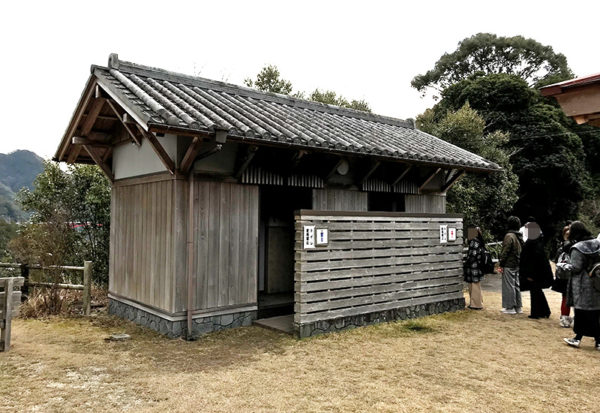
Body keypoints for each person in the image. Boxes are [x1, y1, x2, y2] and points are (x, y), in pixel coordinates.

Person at [556, 221, 600, 350]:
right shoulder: (597, 243)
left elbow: (576, 268)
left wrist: (563, 265)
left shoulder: (577, 247)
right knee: (596, 313)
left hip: (582, 284)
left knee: (581, 313)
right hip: (597, 282)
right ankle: (598, 341)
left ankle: (577, 339)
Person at [519, 220, 553, 319]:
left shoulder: (532, 243)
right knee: (537, 291)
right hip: (539, 272)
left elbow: (531, 261)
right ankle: (544, 311)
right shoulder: (537, 242)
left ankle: (537, 312)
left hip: (534, 273)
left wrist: (529, 274)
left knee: (535, 292)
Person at [498, 216, 524, 314]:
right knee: (516, 285)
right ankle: (518, 307)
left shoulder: (509, 236)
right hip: (517, 263)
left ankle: (510, 307)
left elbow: (505, 251)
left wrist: (501, 263)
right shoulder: (519, 236)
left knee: (509, 285)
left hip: (509, 264)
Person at [552, 222, 573, 327]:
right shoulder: (576, 246)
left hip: (563, 276)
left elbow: (556, 260)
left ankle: (564, 317)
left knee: (565, 297)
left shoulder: (561, 247)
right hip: (574, 275)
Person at [464, 227, 486, 309]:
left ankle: (476, 304)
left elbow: (473, 255)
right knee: (475, 285)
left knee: (474, 285)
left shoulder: (474, 241)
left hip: (473, 267)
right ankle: (477, 302)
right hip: (478, 266)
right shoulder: (479, 241)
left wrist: (466, 263)